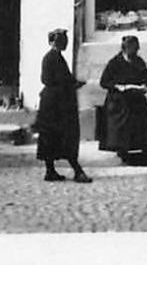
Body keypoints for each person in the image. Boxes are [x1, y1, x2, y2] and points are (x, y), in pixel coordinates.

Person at [35, 28, 90, 182]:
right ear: (53, 42)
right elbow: (48, 79)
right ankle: (75, 171)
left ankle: (51, 170)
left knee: (57, 136)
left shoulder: (57, 57)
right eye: (61, 40)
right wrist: (70, 85)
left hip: (58, 103)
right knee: (60, 136)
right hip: (54, 105)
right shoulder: (50, 58)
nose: (64, 43)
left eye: (65, 41)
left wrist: (73, 83)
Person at [98, 34, 147, 163]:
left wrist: (143, 85)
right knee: (121, 122)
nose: (133, 52)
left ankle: (140, 148)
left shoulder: (139, 62)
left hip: (135, 98)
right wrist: (118, 86)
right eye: (130, 49)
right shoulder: (115, 63)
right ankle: (121, 149)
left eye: (135, 49)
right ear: (124, 49)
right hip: (119, 100)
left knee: (140, 119)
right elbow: (104, 82)